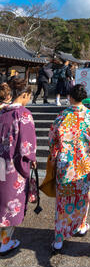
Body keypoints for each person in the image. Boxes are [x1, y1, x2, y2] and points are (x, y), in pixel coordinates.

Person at [49, 84, 90, 253]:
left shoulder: (62, 116)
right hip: (83, 163)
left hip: (65, 164)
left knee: (63, 200)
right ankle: (80, 226)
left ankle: (59, 237)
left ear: (70, 97)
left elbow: (53, 139)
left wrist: (53, 156)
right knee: (82, 196)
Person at [0, 78, 37, 256]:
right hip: (13, 166)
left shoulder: (2, 113)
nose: (29, 99)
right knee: (10, 203)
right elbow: (26, 147)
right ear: (24, 94)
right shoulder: (23, 114)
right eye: (29, 95)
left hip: (0, 163)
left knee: (1, 201)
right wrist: (31, 160)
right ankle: (4, 243)